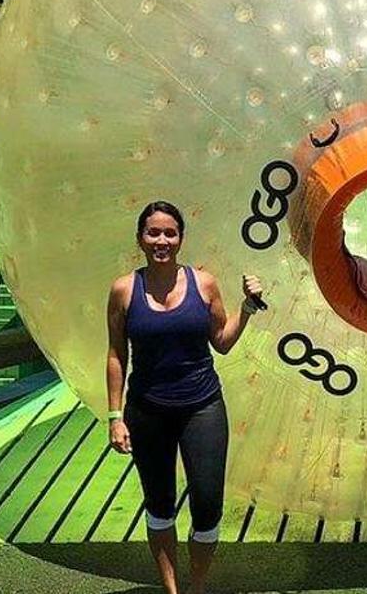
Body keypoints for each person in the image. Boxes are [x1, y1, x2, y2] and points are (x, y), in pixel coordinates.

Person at [106, 201, 264, 594]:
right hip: (146, 410)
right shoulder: (124, 290)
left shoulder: (204, 283)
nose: (162, 240)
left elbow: (222, 342)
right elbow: (115, 354)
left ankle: (197, 587)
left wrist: (247, 307)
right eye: (153, 233)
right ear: (140, 239)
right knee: (159, 503)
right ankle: (171, 590)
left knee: (207, 504)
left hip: (202, 406)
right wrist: (115, 416)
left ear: (180, 239)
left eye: (170, 233)